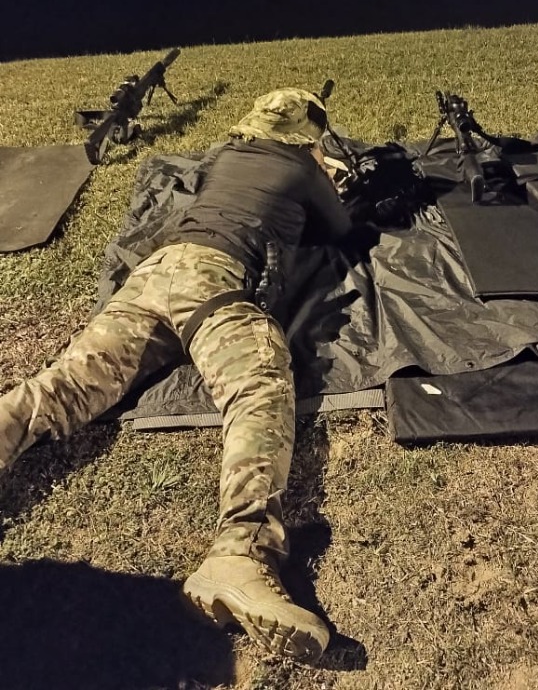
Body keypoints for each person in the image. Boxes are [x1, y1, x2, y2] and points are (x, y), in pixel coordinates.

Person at [0, 88, 369, 663]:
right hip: (213, 280)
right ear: (306, 136)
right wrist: (329, 177)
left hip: (153, 274)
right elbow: (341, 229)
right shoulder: (302, 168)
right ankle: (241, 553)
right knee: (258, 387)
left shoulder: (227, 154)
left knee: (62, 387)